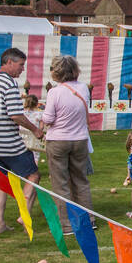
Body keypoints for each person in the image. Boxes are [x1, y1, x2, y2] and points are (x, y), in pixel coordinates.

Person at [0, 47, 44, 235]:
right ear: (9, 62)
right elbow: (15, 115)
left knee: (2, 182)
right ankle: (24, 214)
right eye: (20, 65)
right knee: (34, 175)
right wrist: (35, 129)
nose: (22, 69)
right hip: (8, 142)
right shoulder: (9, 84)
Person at [41, 55, 92, 236]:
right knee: (81, 181)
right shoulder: (84, 88)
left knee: (60, 184)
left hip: (59, 140)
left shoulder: (54, 93)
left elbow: (48, 119)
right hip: (80, 139)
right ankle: (88, 220)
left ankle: (67, 225)